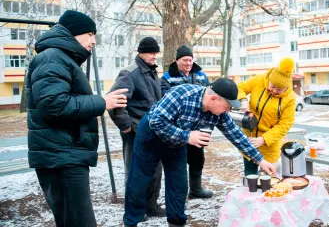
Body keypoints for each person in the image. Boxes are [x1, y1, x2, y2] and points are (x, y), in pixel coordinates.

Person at [123, 78, 277, 227]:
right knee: (140, 180)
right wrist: (188, 136)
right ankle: (131, 222)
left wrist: (260, 160)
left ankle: (176, 223)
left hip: (176, 143)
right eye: (228, 106)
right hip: (151, 136)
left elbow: (236, 135)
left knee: (179, 185)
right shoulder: (182, 94)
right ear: (213, 99)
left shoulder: (219, 113)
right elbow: (157, 121)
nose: (229, 110)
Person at [26, 10, 128, 227]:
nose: (94, 40)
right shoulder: (52, 58)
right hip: (61, 157)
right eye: (90, 34)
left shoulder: (62, 59)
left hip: (65, 155)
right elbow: (54, 105)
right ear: (73, 33)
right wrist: (102, 102)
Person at [108, 37, 165, 217]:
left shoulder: (151, 72)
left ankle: (151, 206)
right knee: (136, 171)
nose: (154, 55)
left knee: (155, 170)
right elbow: (115, 100)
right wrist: (126, 126)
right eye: (151, 52)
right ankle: (136, 210)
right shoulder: (130, 73)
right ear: (141, 53)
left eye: (156, 52)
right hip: (135, 131)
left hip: (154, 130)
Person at [161, 45, 212, 199]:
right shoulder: (167, 78)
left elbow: (209, 94)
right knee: (178, 161)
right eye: (185, 60)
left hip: (198, 126)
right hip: (178, 128)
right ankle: (179, 194)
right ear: (177, 61)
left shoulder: (201, 76)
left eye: (190, 60)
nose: (188, 63)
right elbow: (165, 99)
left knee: (197, 159)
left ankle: (196, 189)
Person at [238, 57, 296, 176]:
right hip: (250, 140)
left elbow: (285, 124)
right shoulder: (259, 80)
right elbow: (240, 87)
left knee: (268, 177)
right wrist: (243, 100)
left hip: (269, 144)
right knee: (250, 176)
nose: (274, 91)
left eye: (279, 89)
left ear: (286, 87)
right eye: (272, 86)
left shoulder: (290, 98)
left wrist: (264, 139)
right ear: (269, 79)